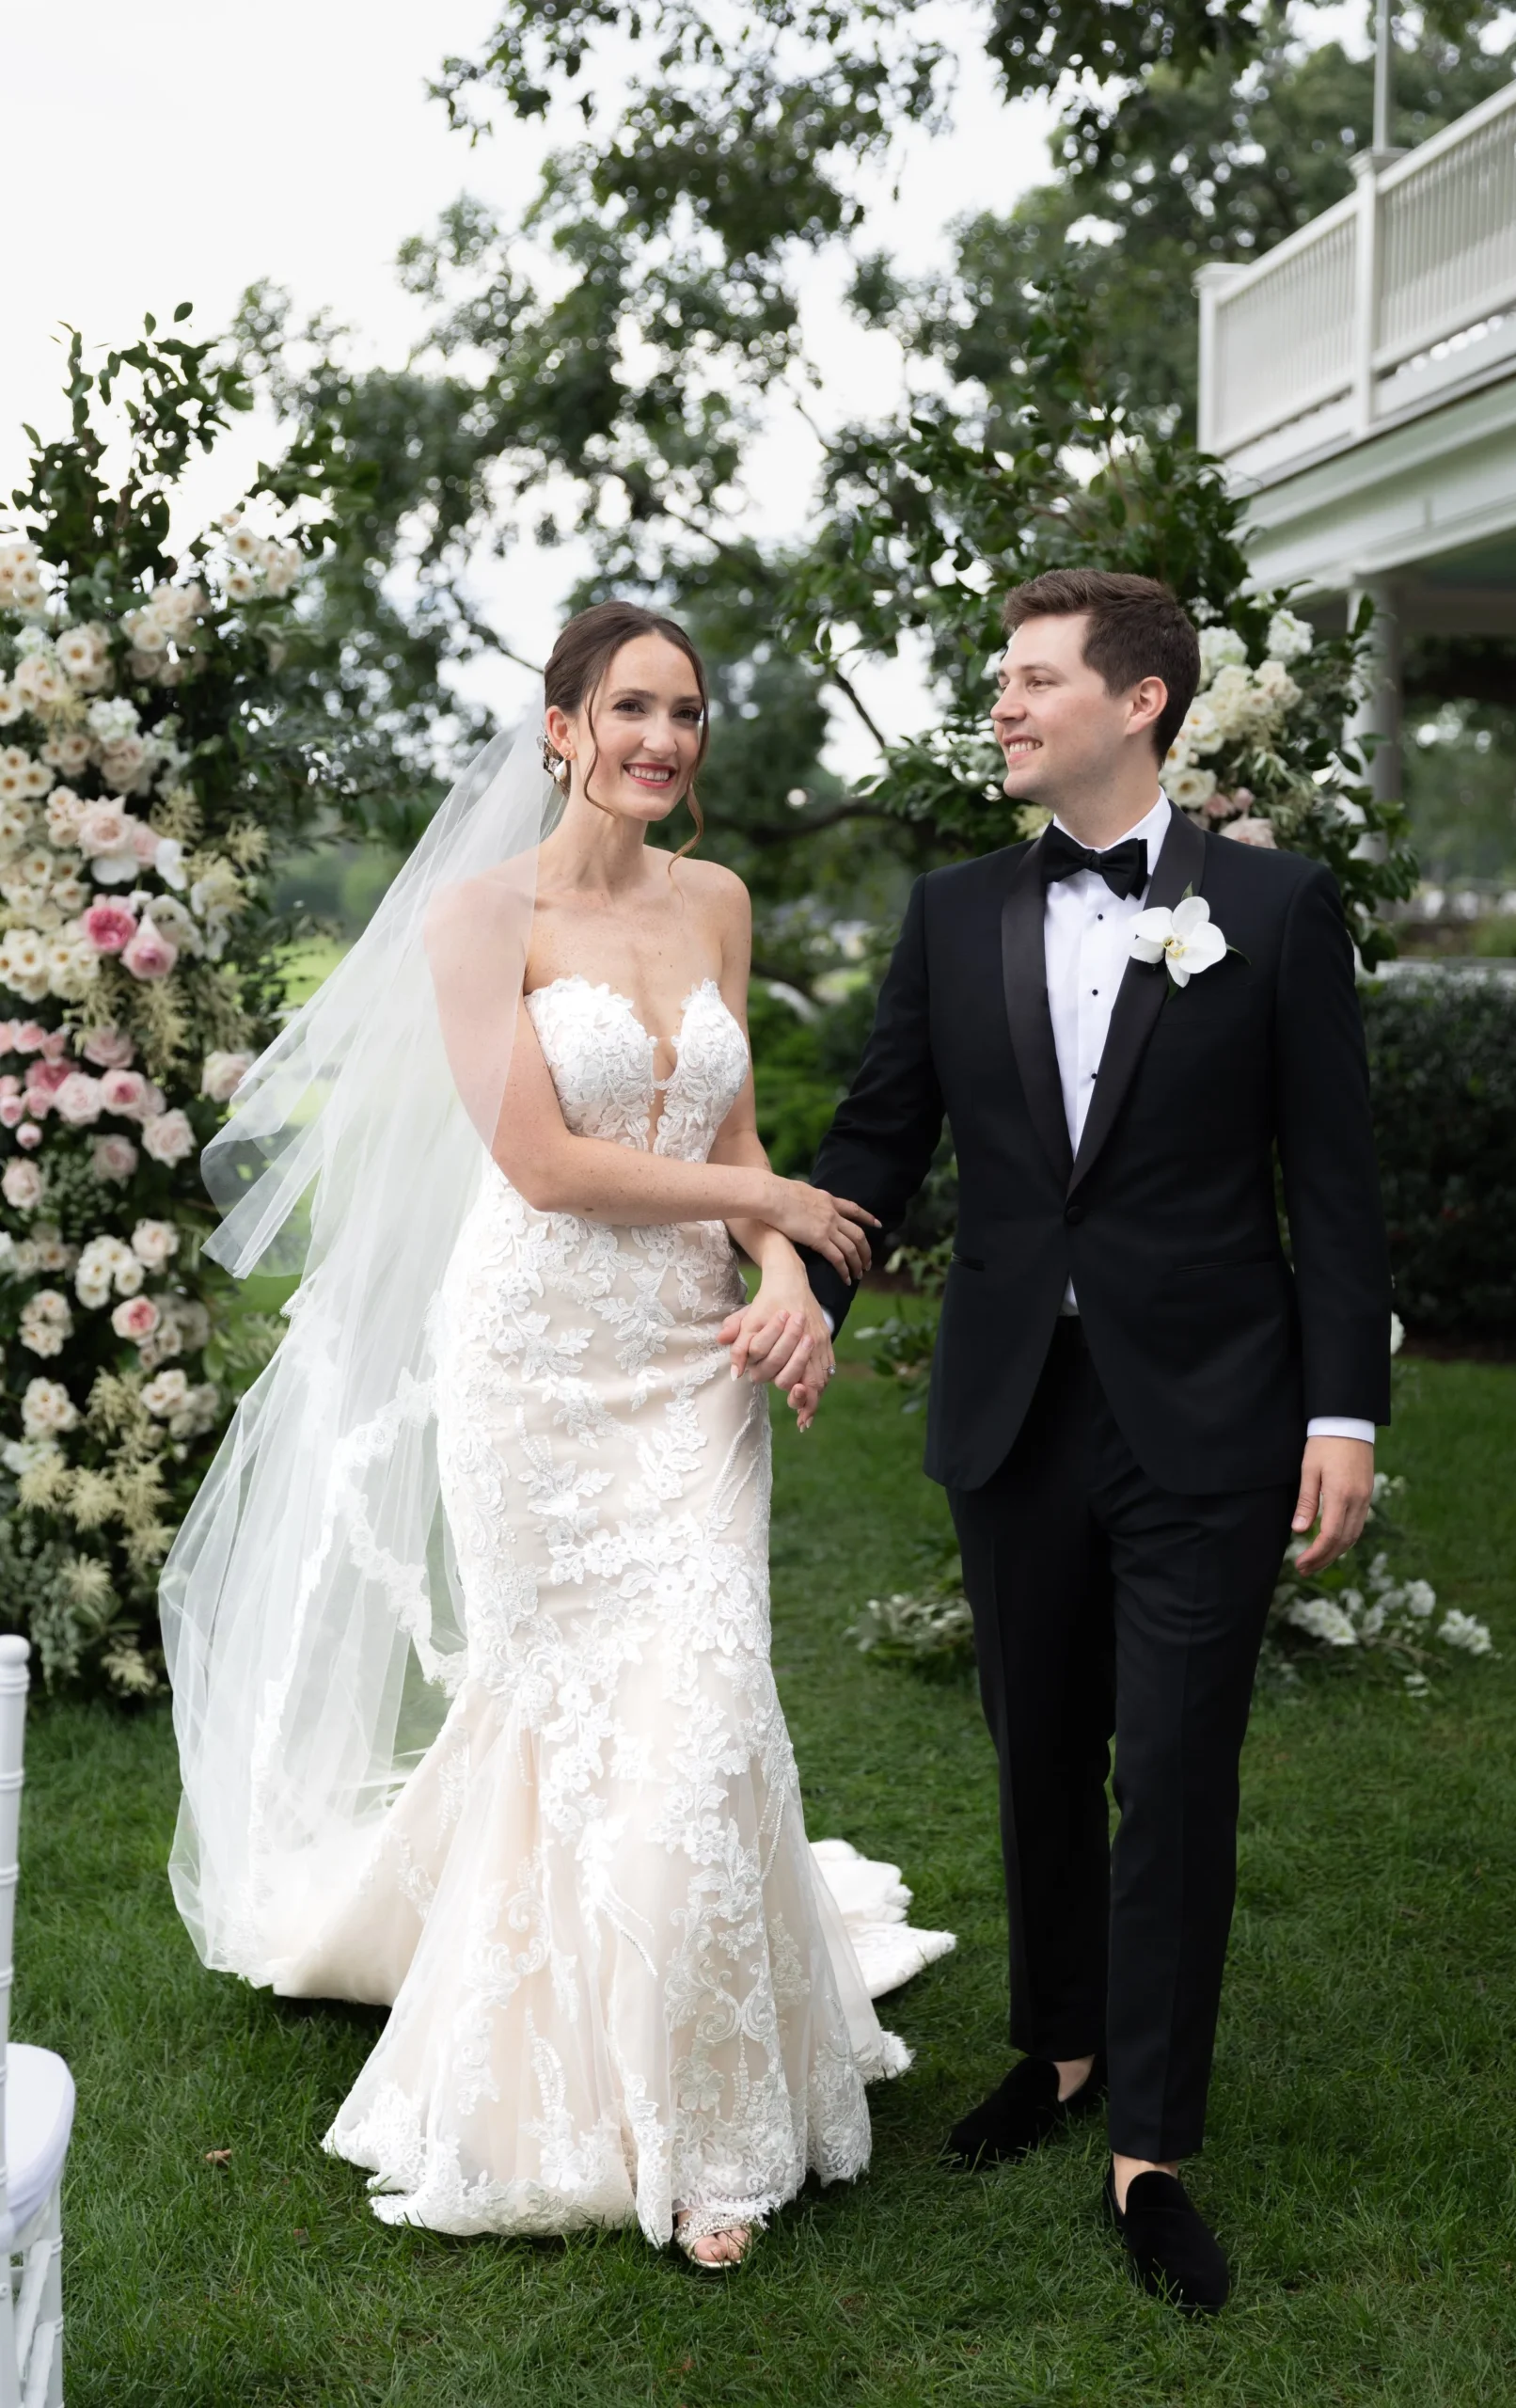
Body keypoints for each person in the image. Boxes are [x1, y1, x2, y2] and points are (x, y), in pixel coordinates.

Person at [160, 601, 952, 2270]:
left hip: (690, 1362)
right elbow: (543, 1163)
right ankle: (595, 2092)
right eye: (633, 708)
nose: (664, 738)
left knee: (706, 1705)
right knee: (574, 1715)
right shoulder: (480, 915)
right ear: (562, 728)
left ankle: (712, 2120)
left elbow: (732, 1133)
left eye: (688, 712)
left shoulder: (715, 900)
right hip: (536, 1362)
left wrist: (785, 1280)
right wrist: (775, 1208)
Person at [803, 568, 1392, 2313]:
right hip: (1013, 1405)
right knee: (1036, 1749)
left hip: (1211, 1411)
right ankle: (1056, 2045)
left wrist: (1342, 1409)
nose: (1000, 703)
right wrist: (797, 1296)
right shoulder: (953, 911)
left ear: (1139, 703)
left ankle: (1149, 2145)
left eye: (1034, 677)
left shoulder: (1274, 909)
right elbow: (876, 1142)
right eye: (999, 677)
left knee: (1177, 1770)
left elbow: (1333, 1182)